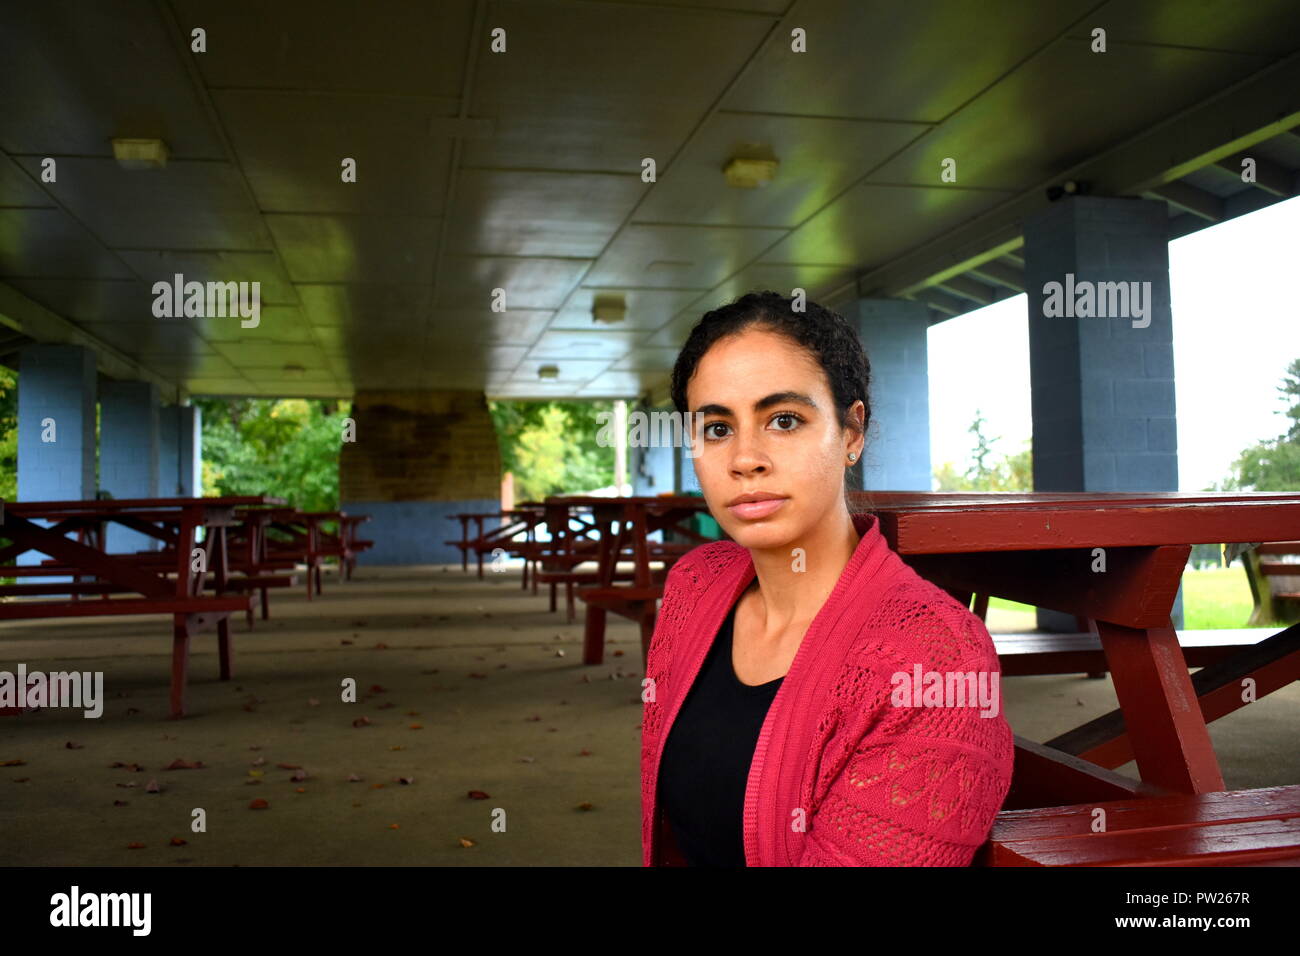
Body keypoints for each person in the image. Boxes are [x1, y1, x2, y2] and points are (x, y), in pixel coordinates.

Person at [642, 291, 1014, 866]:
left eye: (784, 420)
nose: (745, 458)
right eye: (717, 428)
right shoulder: (694, 586)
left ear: (851, 433)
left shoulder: (936, 658)